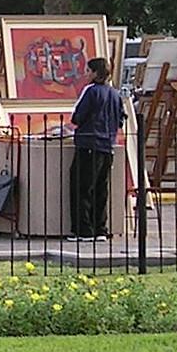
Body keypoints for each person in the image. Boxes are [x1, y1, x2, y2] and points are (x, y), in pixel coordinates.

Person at [68, 56, 122, 241]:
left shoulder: (90, 91)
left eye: (89, 71)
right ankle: (100, 228)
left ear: (96, 73)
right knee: (101, 188)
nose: (86, 74)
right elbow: (121, 118)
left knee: (82, 187)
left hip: (88, 143)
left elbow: (77, 116)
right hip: (107, 145)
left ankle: (83, 229)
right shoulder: (115, 94)